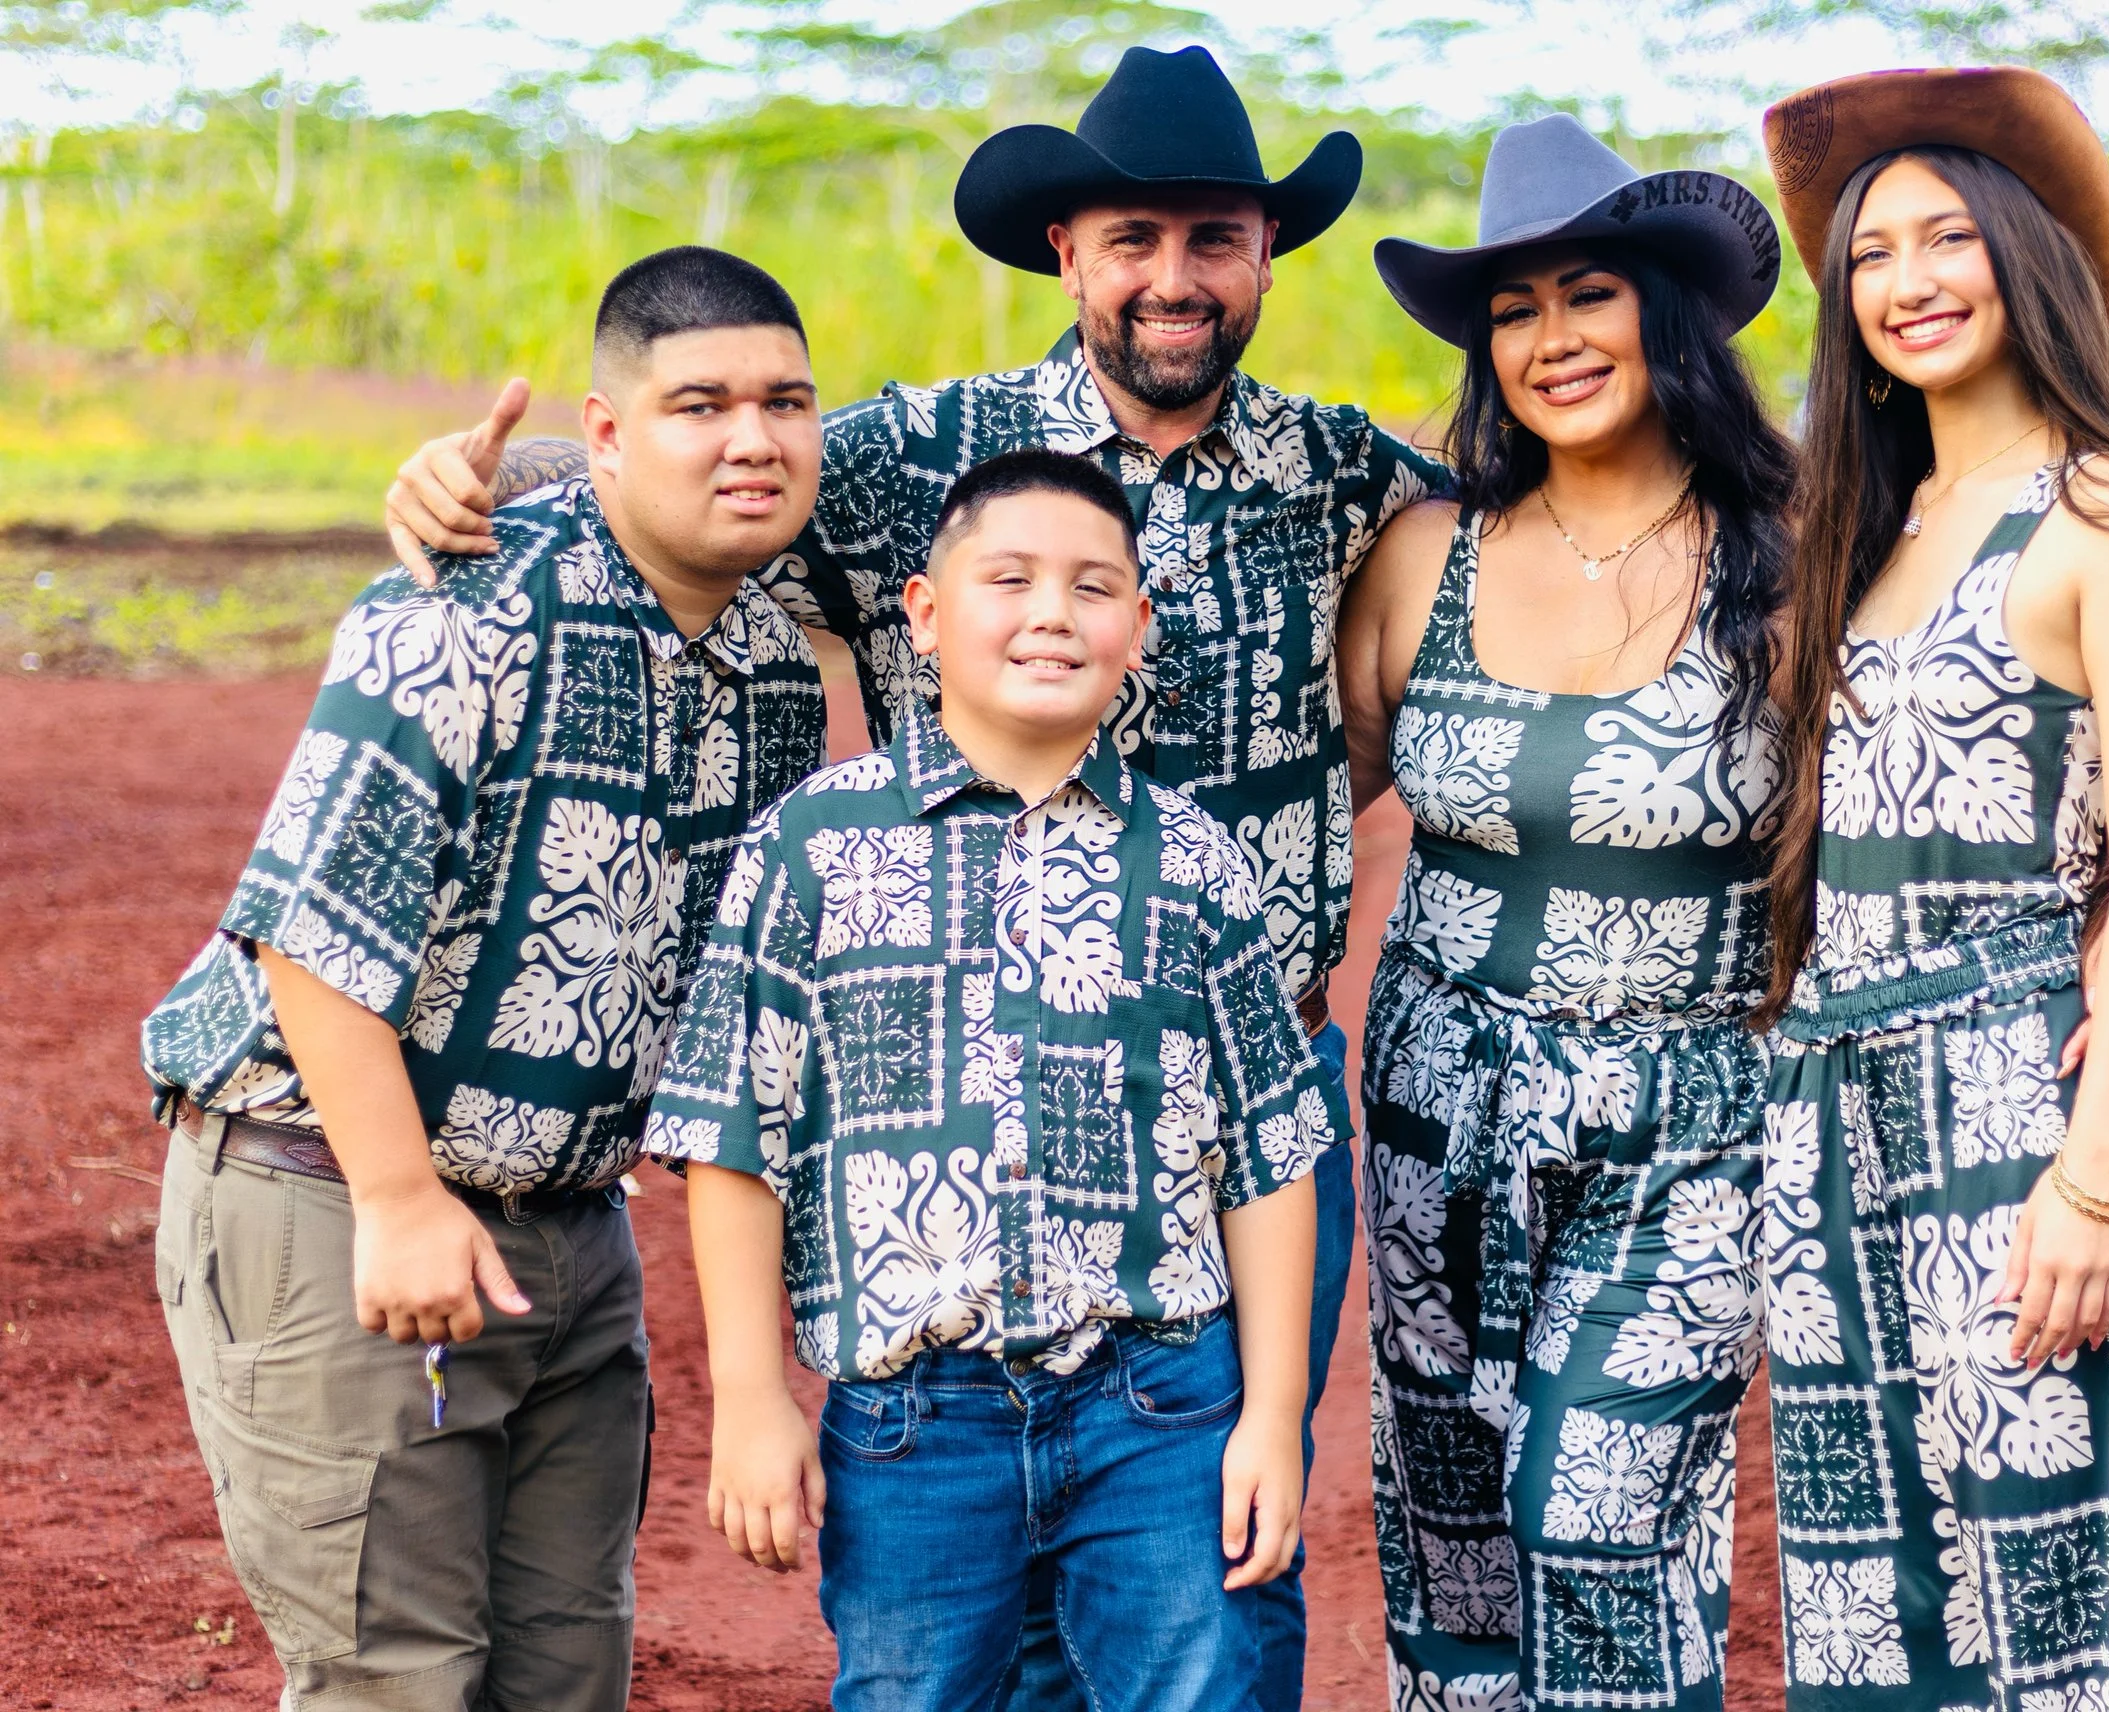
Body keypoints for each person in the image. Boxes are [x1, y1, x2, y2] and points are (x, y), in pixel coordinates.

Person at [378, 46, 1442, 1709]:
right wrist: (459, 479)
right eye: (1135, 238)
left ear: (1263, 258)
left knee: (1220, 1574)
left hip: (1234, 1090)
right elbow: (687, 481)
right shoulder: (917, 460)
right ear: (1068, 254)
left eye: (1215, 238)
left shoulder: (1340, 470)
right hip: (933, 1093)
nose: (1176, 277)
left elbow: (1528, 504)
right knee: (971, 1619)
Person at [139, 245, 830, 1710]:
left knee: (567, 1668)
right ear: (606, 431)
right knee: (394, 1678)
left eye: (787, 401)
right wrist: (395, 1201)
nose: (753, 438)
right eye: (700, 402)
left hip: (569, 1235)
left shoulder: (776, 670)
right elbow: (313, 927)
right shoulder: (462, 612)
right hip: (339, 1188)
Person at [642, 448, 1335, 1712]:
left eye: (1092, 586)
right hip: (915, 1421)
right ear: (923, 611)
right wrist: (748, 1394)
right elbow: (734, 1133)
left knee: (1205, 1688)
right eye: (1006, 578)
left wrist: (1270, 1415)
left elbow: (1270, 1156)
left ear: (1138, 623)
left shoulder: (1196, 862)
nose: (1050, 613)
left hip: (1157, 1405)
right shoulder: (815, 845)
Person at [1752, 68, 2109, 1710]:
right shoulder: (1867, 529)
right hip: (1831, 1116)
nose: (1908, 281)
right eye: (1873, 254)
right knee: (1868, 1592)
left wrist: (2096, 1179)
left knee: (2055, 1584)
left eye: (1948, 237)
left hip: (2017, 1094)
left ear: (2027, 261)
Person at [1337, 115, 1793, 1712]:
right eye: (1511, 312)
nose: (1549, 340)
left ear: (1664, 315)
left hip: (1688, 1121)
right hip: (1433, 1113)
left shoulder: (1790, 558)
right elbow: (1304, 811)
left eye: (1585, 294)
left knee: (1593, 1525)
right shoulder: (1423, 556)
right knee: (1455, 1525)